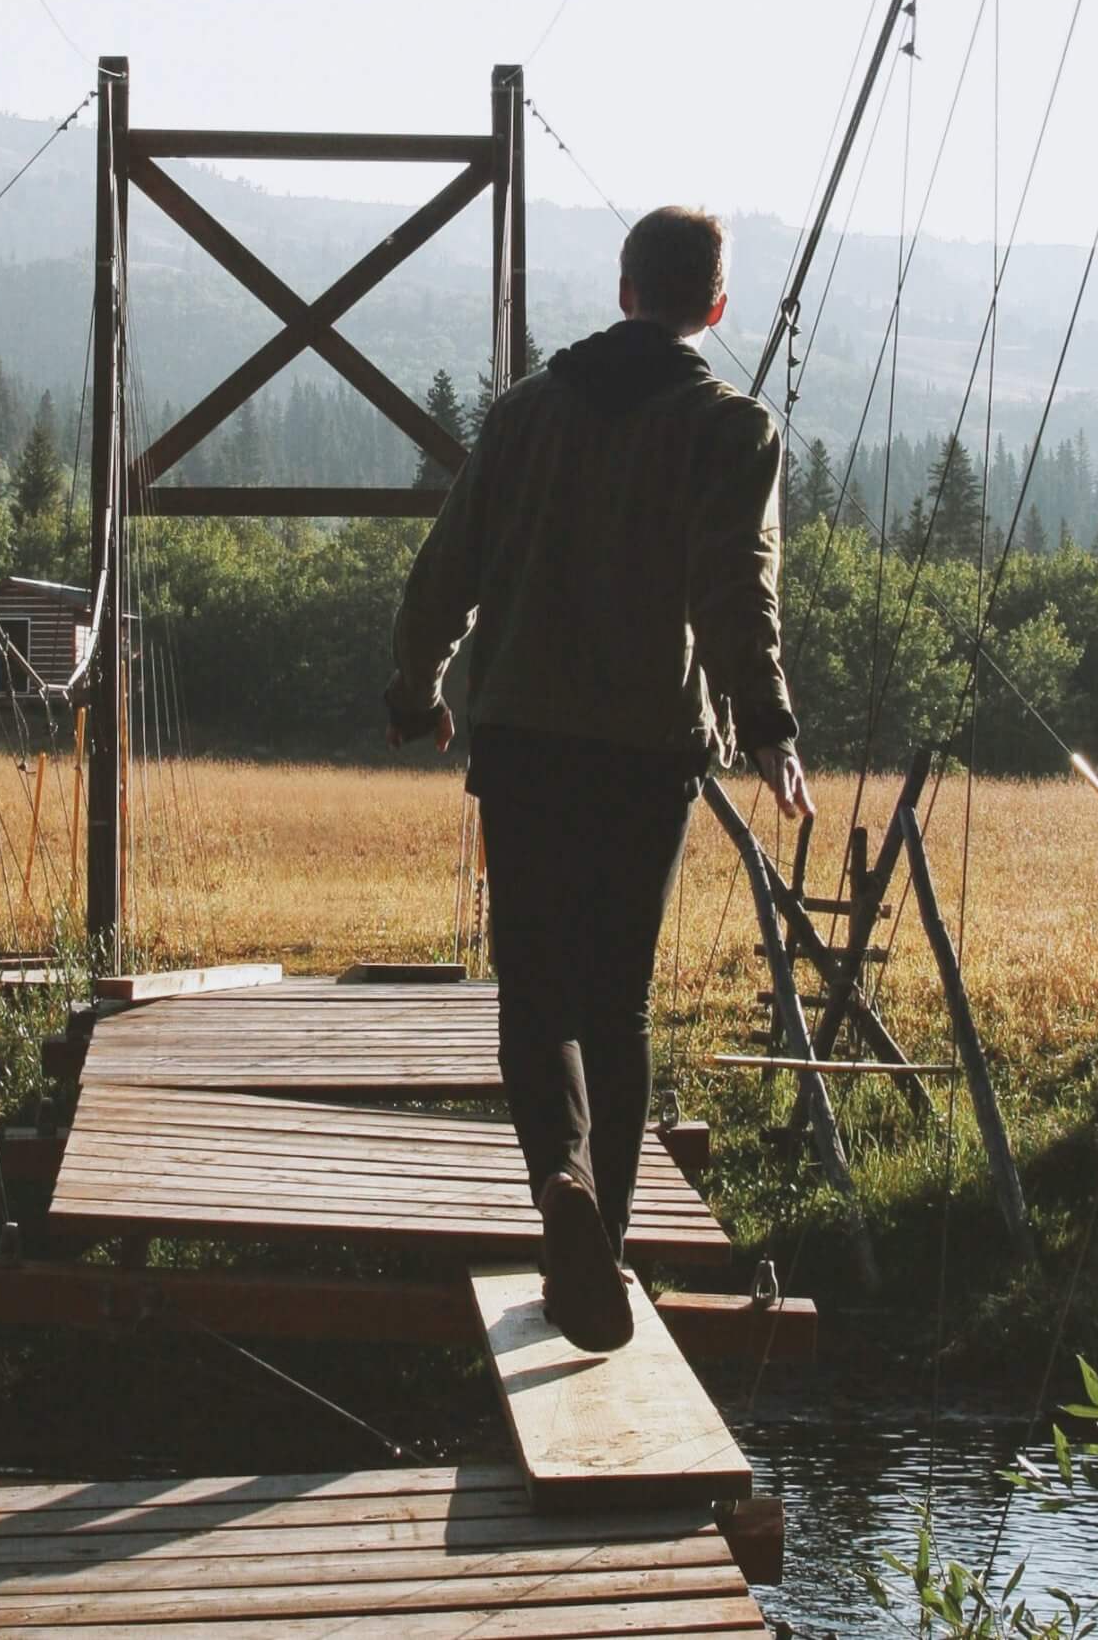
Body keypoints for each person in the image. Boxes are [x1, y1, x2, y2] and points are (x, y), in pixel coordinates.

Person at [384, 205, 811, 1354]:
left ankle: (557, 1187)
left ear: (624, 288)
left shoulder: (523, 414)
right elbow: (735, 591)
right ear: (713, 306)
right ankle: (605, 1248)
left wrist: (417, 688)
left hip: (521, 734)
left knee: (534, 990)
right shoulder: (732, 428)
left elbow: (445, 571)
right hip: (644, 749)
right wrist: (768, 726)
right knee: (615, 1001)